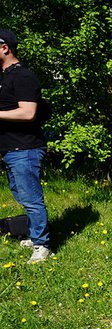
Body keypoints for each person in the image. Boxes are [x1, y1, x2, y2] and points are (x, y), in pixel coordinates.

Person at [0, 29, 52, 264]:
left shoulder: (23, 76)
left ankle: (42, 245)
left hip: (26, 148)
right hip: (11, 149)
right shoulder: (4, 77)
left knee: (31, 198)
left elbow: (28, 112)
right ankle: (34, 234)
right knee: (21, 193)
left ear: (5, 47)